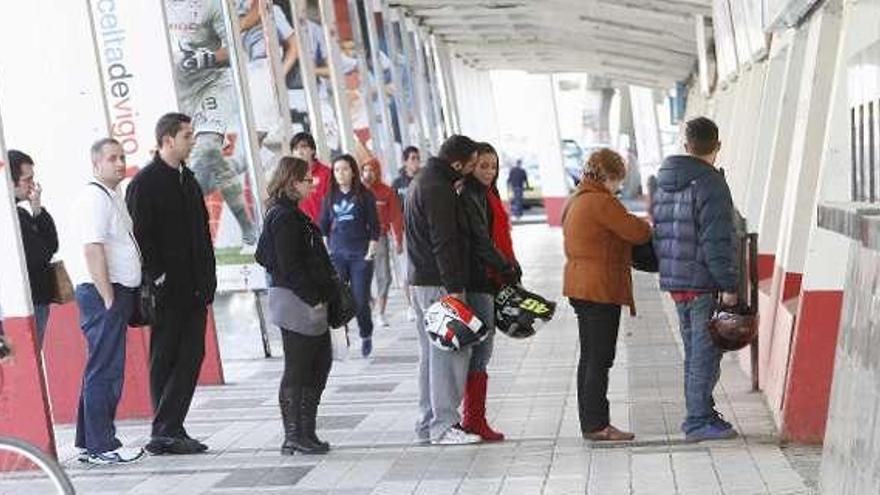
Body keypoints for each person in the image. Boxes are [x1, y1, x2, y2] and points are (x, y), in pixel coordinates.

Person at [127, 113, 217, 455]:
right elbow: (140, 237)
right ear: (167, 140)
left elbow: (201, 235)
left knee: (192, 355)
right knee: (166, 357)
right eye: (187, 135)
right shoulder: (145, 183)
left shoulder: (188, 180)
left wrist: (207, 278)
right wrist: (160, 278)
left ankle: (169, 428)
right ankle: (165, 430)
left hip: (196, 288)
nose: (192, 141)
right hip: (167, 291)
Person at [653, 117, 739, 442]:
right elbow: (716, 239)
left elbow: (659, 232)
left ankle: (701, 410)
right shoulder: (711, 183)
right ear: (717, 146)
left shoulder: (662, 182)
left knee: (694, 349)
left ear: (686, 145)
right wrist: (729, 285)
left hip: (677, 282)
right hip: (703, 281)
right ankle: (697, 419)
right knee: (706, 351)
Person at [562, 148, 651, 442]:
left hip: (580, 286)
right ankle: (598, 425)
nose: (619, 187)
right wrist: (646, 224)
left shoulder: (577, 199)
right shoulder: (601, 202)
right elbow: (637, 232)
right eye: (618, 181)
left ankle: (591, 422)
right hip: (599, 288)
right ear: (608, 176)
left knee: (589, 358)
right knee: (600, 359)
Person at [256, 156, 335, 455]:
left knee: (318, 363)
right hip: (296, 301)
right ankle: (294, 435)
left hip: (300, 298)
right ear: (291, 182)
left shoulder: (288, 212)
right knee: (300, 367)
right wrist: (313, 296)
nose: (311, 184)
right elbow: (288, 264)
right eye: (306, 179)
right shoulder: (284, 216)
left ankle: (306, 432)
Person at [405, 134, 481, 445]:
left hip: (420, 281)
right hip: (438, 283)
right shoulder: (438, 189)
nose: (473, 170)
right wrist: (455, 291)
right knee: (449, 354)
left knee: (431, 354)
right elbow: (443, 243)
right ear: (458, 163)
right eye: (472, 165)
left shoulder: (423, 180)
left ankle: (427, 423)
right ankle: (444, 425)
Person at [165, 0, 257, 252]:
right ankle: (238, 170)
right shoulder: (157, 8)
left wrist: (204, 59)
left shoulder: (213, 5)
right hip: (179, 91)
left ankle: (246, 228)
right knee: (198, 172)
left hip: (212, 85)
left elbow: (235, 51)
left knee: (207, 148)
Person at [73, 138, 144, 464]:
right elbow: (93, 248)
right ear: (96, 164)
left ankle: (90, 442)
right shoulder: (94, 198)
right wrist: (108, 297)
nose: (119, 163)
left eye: (122, 157)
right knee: (106, 370)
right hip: (104, 294)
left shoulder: (111, 196)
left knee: (99, 368)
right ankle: (103, 445)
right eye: (112, 158)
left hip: (113, 292)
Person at [459, 142, 519, 441]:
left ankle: (473, 417)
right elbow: (481, 241)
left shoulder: (487, 194)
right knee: (480, 350)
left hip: (490, 278)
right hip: (478, 280)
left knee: (482, 350)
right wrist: (506, 266)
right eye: (483, 165)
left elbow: (500, 235)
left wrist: (510, 265)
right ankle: (473, 419)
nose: (488, 171)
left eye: (493, 166)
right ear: (471, 166)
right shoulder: (469, 195)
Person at [319, 155, 379, 357]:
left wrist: (371, 251)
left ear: (353, 171)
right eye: (336, 170)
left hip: (361, 255)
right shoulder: (329, 198)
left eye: (344, 169)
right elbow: (323, 227)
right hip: (338, 256)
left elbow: (375, 227)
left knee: (360, 299)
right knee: (337, 299)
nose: (340, 174)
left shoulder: (364, 195)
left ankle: (366, 334)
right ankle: (340, 338)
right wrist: (327, 250)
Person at [9, 150, 58, 347]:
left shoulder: (21, 212)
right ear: (10, 181)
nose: (32, 185)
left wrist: (37, 208)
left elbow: (52, 246)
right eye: (26, 179)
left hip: (35, 300)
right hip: (26, 304)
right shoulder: (11, 218)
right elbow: (40, 255)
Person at [361, 159, 403, 328]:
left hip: (380, 238)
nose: (368, 174)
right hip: (360, 239)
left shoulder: (387, 191)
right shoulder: (358, 192)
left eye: (372, 170)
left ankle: (380, 312)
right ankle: (371, 304)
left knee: (384, 276)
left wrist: (398, 240)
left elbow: (395, 216)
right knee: (361, 275)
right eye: (365, 170)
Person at [392, 146, 421, 320]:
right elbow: (394, 211)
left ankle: (421, 302)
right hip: (404, 233)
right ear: (405, 161)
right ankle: (410, 305)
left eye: (417, 158)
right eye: (412, 158)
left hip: (421, 232)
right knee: (406, 271)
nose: (416, 161)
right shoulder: (397, 184)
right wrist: (396, 236)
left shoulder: (424, 179)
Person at [291, 132, 332, 225]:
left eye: (304, 147)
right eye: (295, 149)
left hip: (322, 228)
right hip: (300, 228)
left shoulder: (326, 173)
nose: (300, 152)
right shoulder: (290, 176)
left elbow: (332, 202)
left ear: (313, 150)